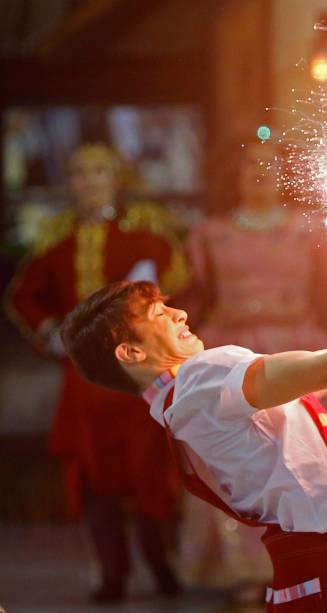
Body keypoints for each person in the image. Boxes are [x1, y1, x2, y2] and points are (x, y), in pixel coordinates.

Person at [59, 280, 327, 612]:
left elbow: (319, 369)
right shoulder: (201, 378)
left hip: (323, 565)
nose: (181, 313)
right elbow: (322, 369)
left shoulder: (179, 404)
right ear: (131, 352)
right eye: (161, 314)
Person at [180, 141, 327, 597]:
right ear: (234, 173)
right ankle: (249, 569)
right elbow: (195, 296)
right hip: (233, 353)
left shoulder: (308, 230)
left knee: (308, 458)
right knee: (242, 460)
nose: (259, 172)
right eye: (250, 163)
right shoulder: (211, 234)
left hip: (300, 348)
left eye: (269, 165)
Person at [4, 143, 188, 603]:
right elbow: (24, 294)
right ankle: (112, 573)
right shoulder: (55, 234)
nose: (89, 180)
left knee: (150, 467)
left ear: (115, 177)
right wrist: (51, 333)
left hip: (139, 376)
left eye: (99, 171)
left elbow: (180, 276)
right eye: (80, 172)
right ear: (70, 181)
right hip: (85, 380)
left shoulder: (145, 228)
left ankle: (160, 565)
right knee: (94, 476)